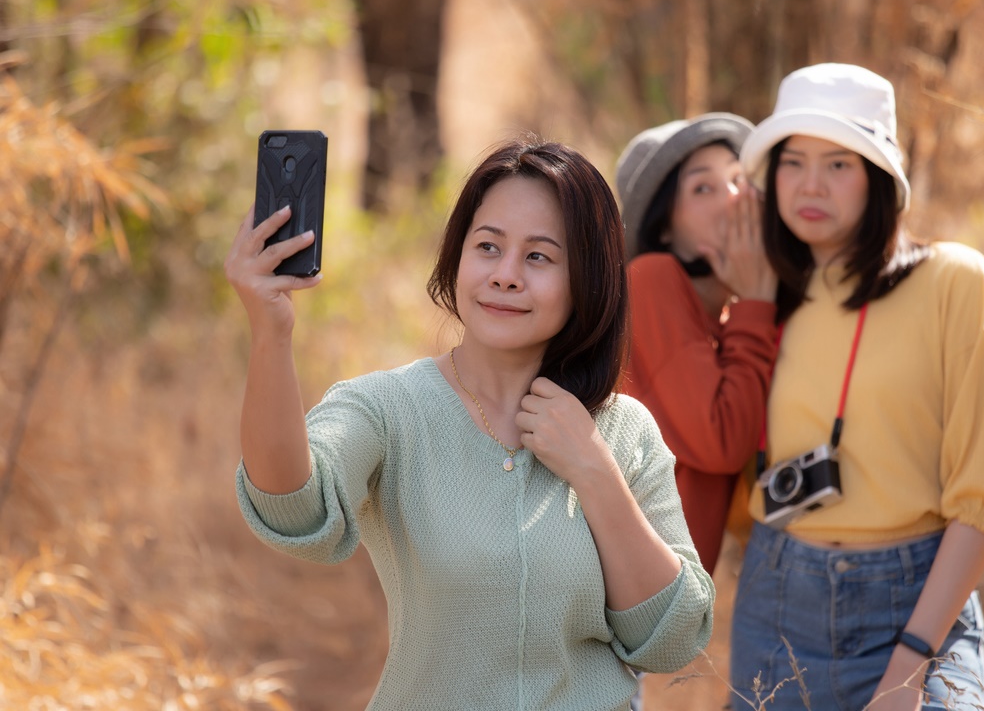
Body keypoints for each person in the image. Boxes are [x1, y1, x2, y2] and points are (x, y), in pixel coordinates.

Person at [224, 139, 715, 711]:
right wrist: (271, 333)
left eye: (539, 257)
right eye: (488, 247)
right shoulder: (389, 408)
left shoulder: (622, 430)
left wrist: (593, 467)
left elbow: (674, 636)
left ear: (586, 278)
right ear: (458, 256)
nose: (505, 276)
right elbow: (292, 503)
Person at [728, 64, 984, 710]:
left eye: (839, 164)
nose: (812, 184)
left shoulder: (954, 282)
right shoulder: (762, 299)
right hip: (777, 608)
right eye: (794, 162)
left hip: (916, 604)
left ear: (879, 179)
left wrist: (910, 664)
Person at [614, 113, 778, 576]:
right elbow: (722, 439)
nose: (734, 198)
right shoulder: (651, 280)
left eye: (738, 180)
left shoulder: (725, 319)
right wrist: (757, 300)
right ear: (665, 228)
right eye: (703, 188)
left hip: (661, 615)